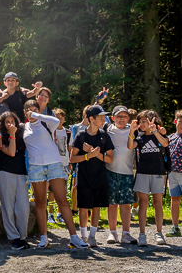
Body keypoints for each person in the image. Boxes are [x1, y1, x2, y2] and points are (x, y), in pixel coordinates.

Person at [21, 99, 88, 249]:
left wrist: (38, 115)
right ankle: (44, 238)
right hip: (36, 167)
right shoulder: (23, 127)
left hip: (54, 164)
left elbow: (56, 120)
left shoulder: (46, 123)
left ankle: (73, 237)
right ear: (24, 112)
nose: (31, 112)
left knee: (62, 200)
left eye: (34, 109)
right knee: (40, 202)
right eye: (28, 110)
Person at [70, 105, 114, 248]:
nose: (103, 120)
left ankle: (92, 236)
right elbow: (72, 158)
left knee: (96, 207)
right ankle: (83, 236)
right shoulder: (81, 136)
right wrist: (88, 156)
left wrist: (97, 154)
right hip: (84, 176)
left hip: (100, 177)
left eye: (103, 117)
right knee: (83, 207)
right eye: (100, 117)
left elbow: (109, 159)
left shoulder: (104, 136)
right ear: (91, 119)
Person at [129, 110, 170, 246]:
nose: (141, 124)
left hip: (158, 172)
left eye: (144, 121)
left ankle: (159, 233)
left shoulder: (160, 135)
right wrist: (131, 131)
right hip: (142, 173)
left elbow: (165, 144)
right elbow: (130, 146)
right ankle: (142, 234)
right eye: (140, 122)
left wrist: (155, 131)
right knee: (143, 203)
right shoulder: (139, 138)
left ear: (152, 121)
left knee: (158, 203)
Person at [0, 111, 30, 252]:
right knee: (8, 207)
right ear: (3, 124)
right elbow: (11, 151)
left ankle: (22, 236)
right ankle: (14, 238)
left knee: (23, 208)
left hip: (22, 173)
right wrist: (12, 134)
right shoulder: (1, 137)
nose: (11, 124)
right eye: (7, 122)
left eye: (12, 121)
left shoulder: (22, 133)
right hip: (6, 173)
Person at [105, 105, 137, 244]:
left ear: (128, 118)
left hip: (127, 172)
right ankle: (112, 233)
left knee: (125, 205)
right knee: (111, 204)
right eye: (118, 116)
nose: (121, 119)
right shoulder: (108, 129)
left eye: (124, 116)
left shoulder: (134, 130)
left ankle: (126, 233)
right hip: (110, 171)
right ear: (113, 118)